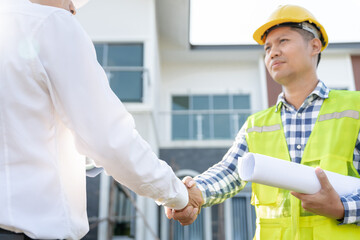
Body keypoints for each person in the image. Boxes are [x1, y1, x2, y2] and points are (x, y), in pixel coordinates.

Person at [0, 0, 194, 239]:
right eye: (71, 1)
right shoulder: (51, 24)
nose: (72, 9)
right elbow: (109, 140)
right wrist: (178, 195)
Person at [166, 4, 360, 239]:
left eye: (283, 41)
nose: (273, 52)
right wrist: (190, 193)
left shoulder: (355, 108)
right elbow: (229, 172)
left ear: (315, 45)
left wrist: (343, 209)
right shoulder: (256, 125)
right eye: (267, 48)